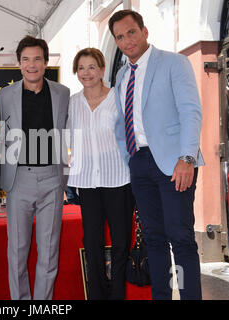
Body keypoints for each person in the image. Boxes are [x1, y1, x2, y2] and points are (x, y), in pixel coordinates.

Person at [109, 9, 204, 300]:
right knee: (154, 240)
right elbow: (121, 122)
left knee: (181, 239)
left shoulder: (174, 63)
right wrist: (130, 158)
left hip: (175, 162)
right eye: (120, 37)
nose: (127, 41)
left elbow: (191, 111)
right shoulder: (122, 75)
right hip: (140, 163)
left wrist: (187, 157)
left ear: (144, 31)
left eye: (131, 33)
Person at [0, 35, 70, 300]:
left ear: (45, 62)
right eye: (26, 59)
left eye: (37, 59)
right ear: (19, 64)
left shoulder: (62, 93)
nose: (32, 65)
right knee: (17, 252)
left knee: (49, 252)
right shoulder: (5, 95)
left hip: (52, 178)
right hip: (19, 181)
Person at [67, 48, 135, 300]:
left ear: (103, 70)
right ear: (76, 72)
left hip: (119, 180)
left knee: (120, 244)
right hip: (87, 183)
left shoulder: (118, 97)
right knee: (93, 244)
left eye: (92, 67)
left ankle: (117, 295)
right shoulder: (72, 104)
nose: (87, 73)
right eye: (81, 68)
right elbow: (63, 140)